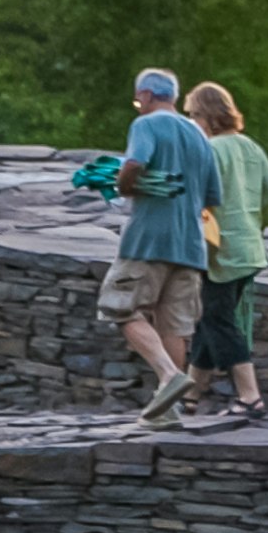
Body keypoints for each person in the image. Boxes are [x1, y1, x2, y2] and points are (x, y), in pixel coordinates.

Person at [98, 68, 222, 425]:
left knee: (118, 305)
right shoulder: (199, 135)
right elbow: (213, 196)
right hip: (190, 246)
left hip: (148, 239)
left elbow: (135, 163)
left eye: (138, 100)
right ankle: (166, 412)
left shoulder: (147, 125)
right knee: (174, 326)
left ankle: (169, 375)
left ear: (149, 96)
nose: (138, 106)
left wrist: (125, 186)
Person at [182, 80, 268, 420]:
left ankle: (250, 397)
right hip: (248, 249)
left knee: (219, 320)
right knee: (209, 320)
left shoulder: (209, 151)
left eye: (193, 115)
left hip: (220, 252)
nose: (190, 122)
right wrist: (255, 227)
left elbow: (197, 200)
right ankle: (188, 395)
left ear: (206, 116)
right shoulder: (250, 147)